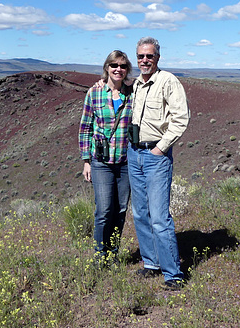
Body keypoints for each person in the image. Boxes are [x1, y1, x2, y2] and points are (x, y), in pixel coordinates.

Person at [128, 36, 190, 290]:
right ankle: (151, 263)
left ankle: (173, 274)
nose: (144, 60)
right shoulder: (136, 85)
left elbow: (181, 118)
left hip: (156, 157)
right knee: (140, 213)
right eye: (141, 56)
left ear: (157, 58)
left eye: (149, 56)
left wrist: (160, 148)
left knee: (159, 217)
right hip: (134, 153)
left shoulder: (168, 81)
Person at [79, 50, 134, 264]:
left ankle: (113, 254)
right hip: (101, 162)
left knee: (120, 210)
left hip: (126, 162)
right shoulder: (94, 93)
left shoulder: (132, 93)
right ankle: (99, 256)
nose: (118, 69)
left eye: (122, 66)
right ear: (107, 68)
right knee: (104, 210)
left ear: (127, 69)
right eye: (114, 65)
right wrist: (86, 161)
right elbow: (85, 128)